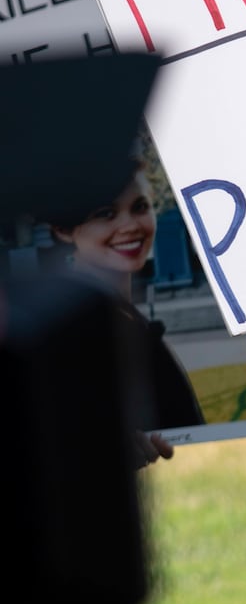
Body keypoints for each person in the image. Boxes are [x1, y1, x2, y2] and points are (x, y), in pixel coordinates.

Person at [45, 160, 204, 449]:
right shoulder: (71, 327)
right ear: (63, 230)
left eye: (140, 207)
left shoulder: (120, 313)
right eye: (106, 214)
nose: (131, 225)